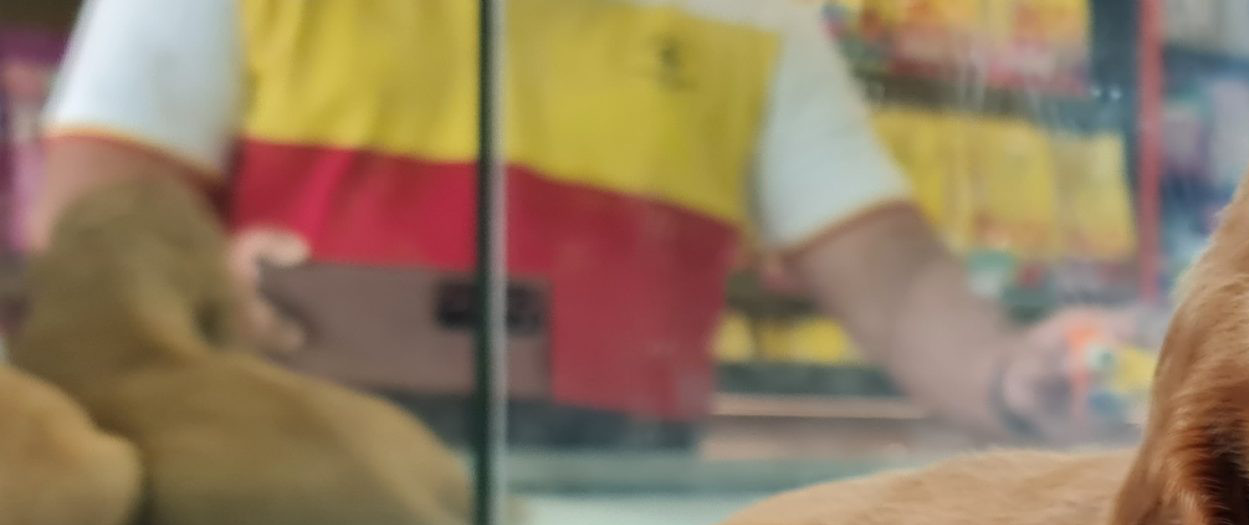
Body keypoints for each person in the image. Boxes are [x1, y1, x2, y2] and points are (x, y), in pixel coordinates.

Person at [34, 0, 1126, 448]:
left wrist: (1002, 371)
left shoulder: (751, 11)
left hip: (602, 513)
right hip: (264, 472)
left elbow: (883, 268)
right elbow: (96, 208)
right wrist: (204, 277)